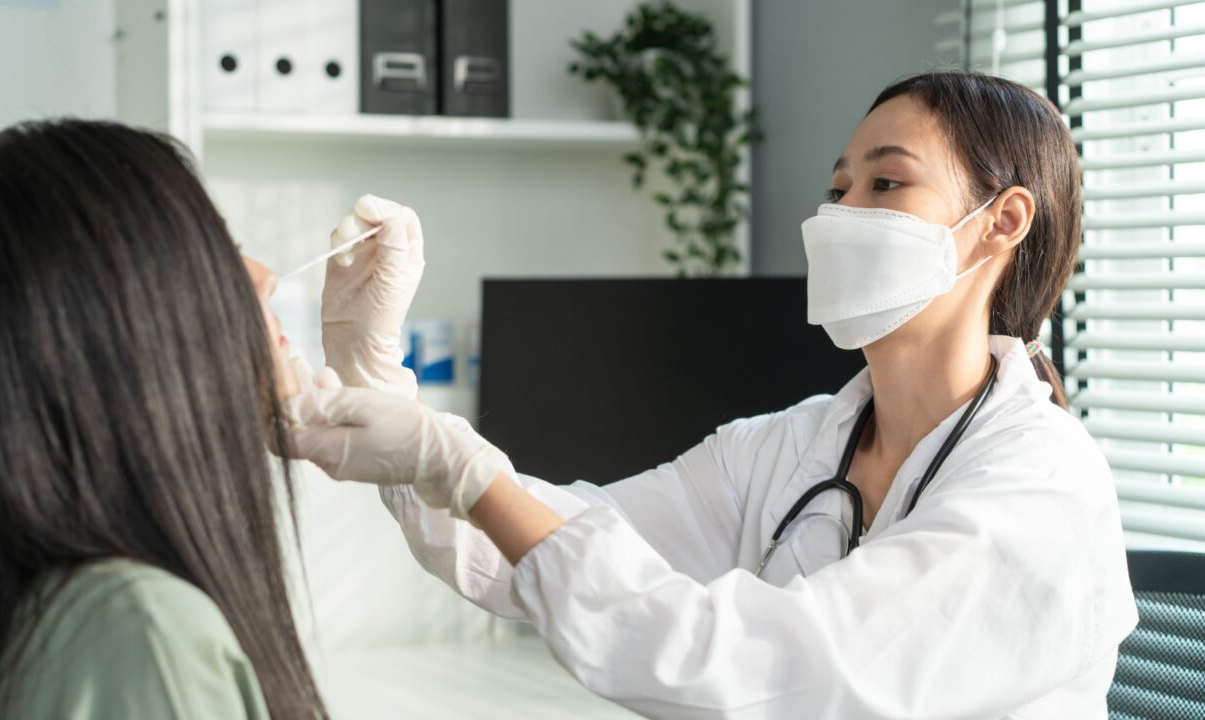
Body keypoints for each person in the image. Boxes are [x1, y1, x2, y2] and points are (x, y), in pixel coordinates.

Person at [285, 70, 1138, 718]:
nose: (842, 213)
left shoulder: (1040, 482)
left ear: (1003, 220)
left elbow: (762, 673)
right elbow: (540, 552)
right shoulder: (787, 447)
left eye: (886, 184)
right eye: (837, 188)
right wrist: (373, 373)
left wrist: (466, 469)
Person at [0, 120, 326, 719]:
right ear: (118, 327)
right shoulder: (143, 631)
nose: (262, 275)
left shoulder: (46, 613)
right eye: (217, 246)